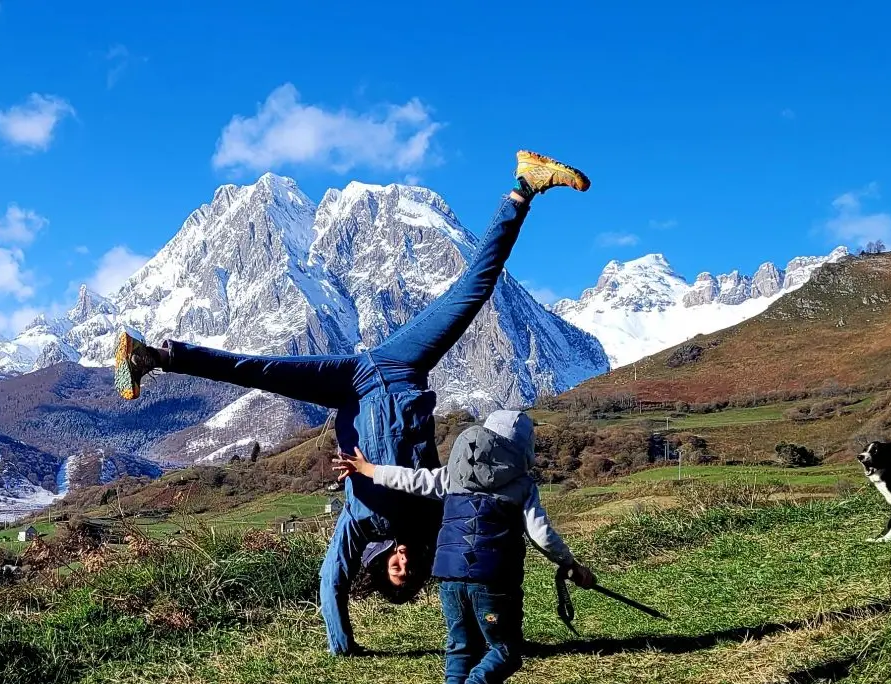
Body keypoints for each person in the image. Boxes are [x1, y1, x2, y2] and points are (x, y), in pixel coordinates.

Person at [114, 150, 590, 656]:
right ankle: (525, 185)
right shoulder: (436, 517)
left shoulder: (357, 519)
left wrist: (344, 646)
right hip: (404, 366)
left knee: (258, 369)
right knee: (475, 289)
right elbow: (483, 523)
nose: (404, 567)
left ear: (381, 564)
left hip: (348, 385)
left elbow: (330, 581)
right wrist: (553, 560)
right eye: (411, 575)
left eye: (395, 574)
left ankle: (153, 355)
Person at [333, 410, 596, 684]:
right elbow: (541, 535)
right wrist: (570, 564)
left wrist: (368, 469)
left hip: (448, 574)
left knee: (460, 645)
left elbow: (412, 480)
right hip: (494, 576)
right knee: (506, 648)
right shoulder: (521, 484)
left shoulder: (454, 474)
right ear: (523, 447)